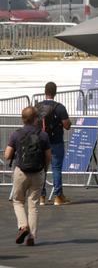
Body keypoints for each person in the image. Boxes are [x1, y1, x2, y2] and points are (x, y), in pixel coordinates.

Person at [5, 106, 51, 247]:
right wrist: (45, 168)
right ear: (36, 118)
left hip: (21, 172)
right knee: (33, 205)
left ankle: (23, 226)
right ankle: (31, 236)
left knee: (18, 201)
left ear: (22, 119)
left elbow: (7, 155)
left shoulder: (16, 134)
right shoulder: (43, 135)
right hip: (37, 172)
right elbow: (48, 156)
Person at [36, 81, 70, 206]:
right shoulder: (59, 107)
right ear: (55, 92)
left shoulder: (38, 107)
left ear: (45, 92)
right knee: (56, 168)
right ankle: (58, 196)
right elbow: (67, 125)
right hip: (56, 141)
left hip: (42, 141)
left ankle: (41, 196)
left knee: (41, 169)